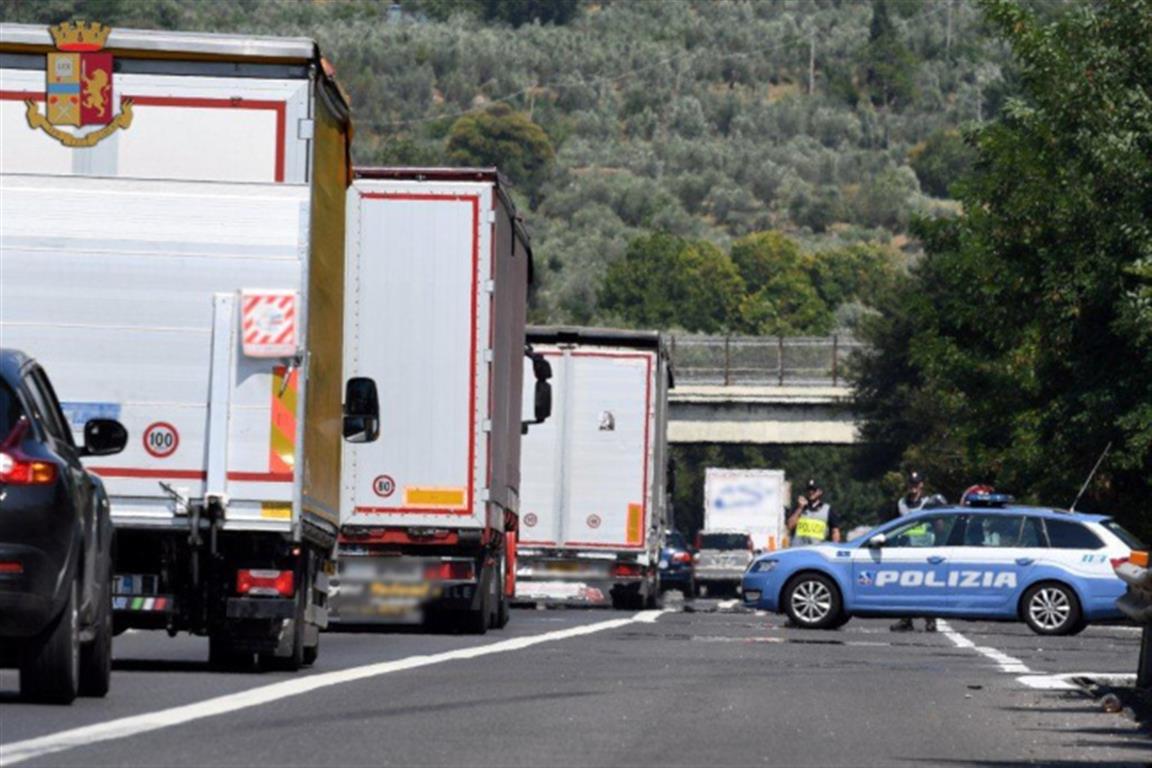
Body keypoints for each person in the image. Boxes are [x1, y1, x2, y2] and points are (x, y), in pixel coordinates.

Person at [889, 471, 946, 633]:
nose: (913, 487)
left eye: (916, 484)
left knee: (927, 588)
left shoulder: (928, 503)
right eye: (911, 484)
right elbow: (893, 526)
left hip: (925, 552)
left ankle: (930, 620)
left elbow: (939, 527)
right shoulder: (900, 504)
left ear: (921, 485)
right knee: (904, 587)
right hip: (905, 551)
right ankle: (906, 619)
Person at [787, 479, 841, 547]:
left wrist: (835, 548)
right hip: (798, 550)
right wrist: (800, 508)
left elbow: (835, 532)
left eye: (814, 490)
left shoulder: (828, 510)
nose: (811, 492)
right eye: (809, 489)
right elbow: (789, 526)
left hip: (817, 552)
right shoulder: (799, 507)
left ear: (820, 492)